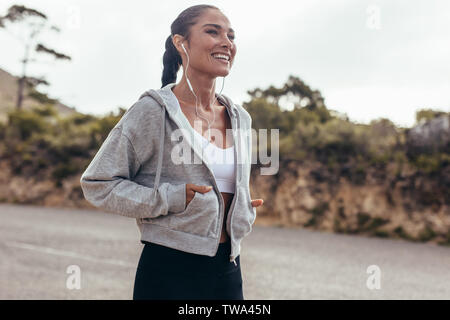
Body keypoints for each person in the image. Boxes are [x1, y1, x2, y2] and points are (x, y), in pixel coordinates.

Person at [80, 4, 263, 300]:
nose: (226, 42)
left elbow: (226, 187)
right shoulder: (152, 111)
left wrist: (241, 205)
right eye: (212, 32)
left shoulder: (241, 118)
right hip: (169, 269)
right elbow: (98, 184)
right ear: (181, 43)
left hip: (229, 266)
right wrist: (171, 198)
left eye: (231, 35)